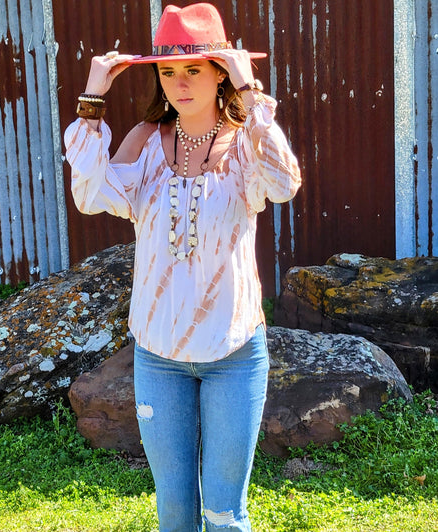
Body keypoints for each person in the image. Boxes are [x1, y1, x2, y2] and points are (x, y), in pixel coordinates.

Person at [64, 3, 301, 531]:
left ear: (220, 73)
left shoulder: (246, 145)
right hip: (159, 355)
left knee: (224, 512)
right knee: (174, 511)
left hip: (234, 353)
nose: (179, 83)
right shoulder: (145, 140)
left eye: (194, 68)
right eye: (168, 71)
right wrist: (93, 97)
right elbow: (91, 193)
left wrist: (251, 91)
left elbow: (284, 183)